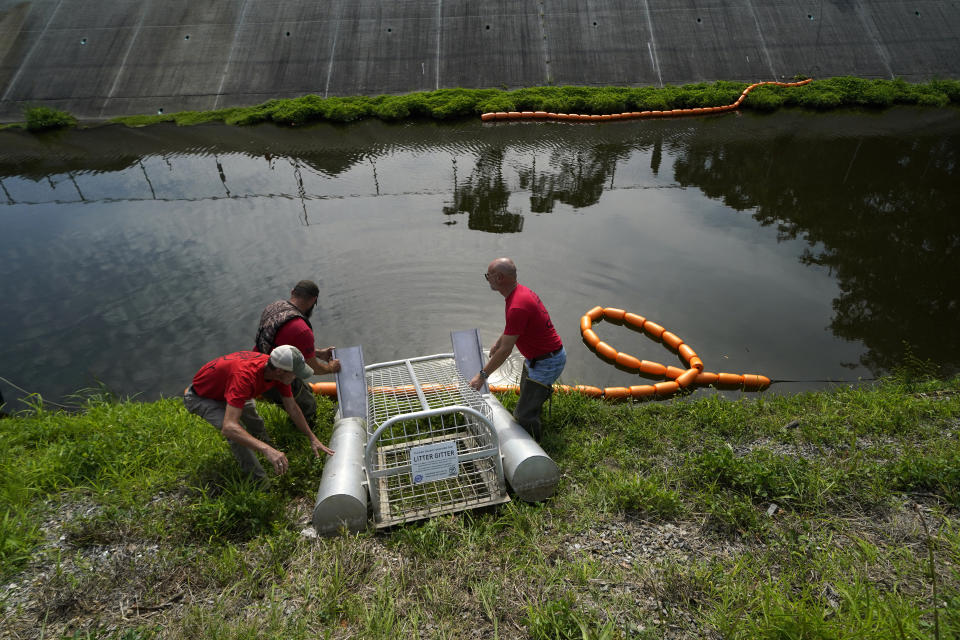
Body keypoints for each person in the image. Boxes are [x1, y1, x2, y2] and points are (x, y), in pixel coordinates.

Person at [183, 346, 334, 481]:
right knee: (237, 435)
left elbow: (292, 407)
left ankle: (275, 459)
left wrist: (312, 437)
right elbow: (229, 427)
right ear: (281, 371)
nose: (296, 377)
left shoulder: (276, 370)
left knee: (255, 422)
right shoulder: (245, 377)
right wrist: (266, 450)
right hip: (203, 397)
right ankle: (260, 482)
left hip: (229, 390)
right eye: (295, 374)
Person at [469, 258, 566, 440]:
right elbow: (514, 328)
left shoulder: (517, 305)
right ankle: (534, 404)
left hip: (547, 362)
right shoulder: (518, 294)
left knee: (522, 416)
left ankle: (536, 444)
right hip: (537, 358)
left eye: (487, 276)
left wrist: (481, 376)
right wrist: (499, 341)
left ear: (499, 278)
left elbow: (506, 351)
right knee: (527, 393)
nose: (487, 279)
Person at [253, 280, 340, 425]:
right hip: (275, 376)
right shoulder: (302, 329)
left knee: (305, 391)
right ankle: (308, 435)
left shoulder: (274, 307)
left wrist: (318, 353)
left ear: (292, 291)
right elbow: (314, 369)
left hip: (258, 363)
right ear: (313, 300)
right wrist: (331, 368)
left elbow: (281, 342)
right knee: (308, 408)